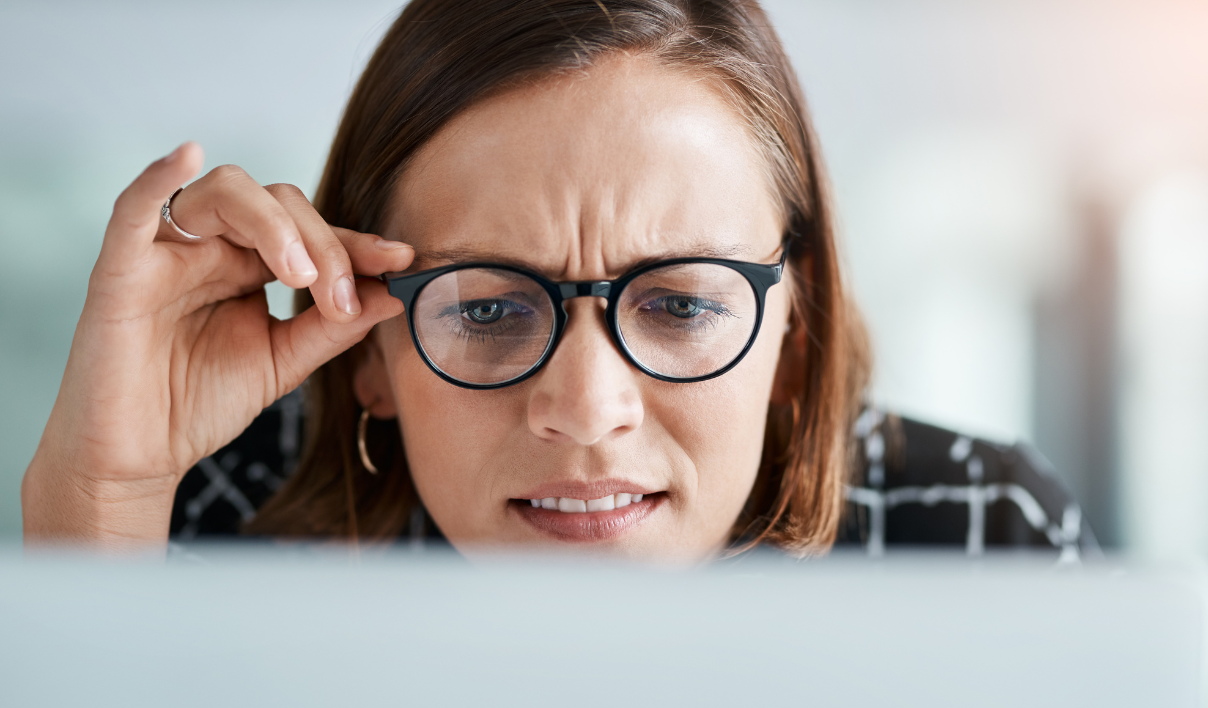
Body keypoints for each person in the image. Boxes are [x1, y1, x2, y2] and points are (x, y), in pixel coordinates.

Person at [22, 0, 1090, 561]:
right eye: (485, 307)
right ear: (370, 352)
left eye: (680, 303)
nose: (584, 410)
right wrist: (106, 495)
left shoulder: (974, 534)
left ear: (791, 335)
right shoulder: (222, 523)